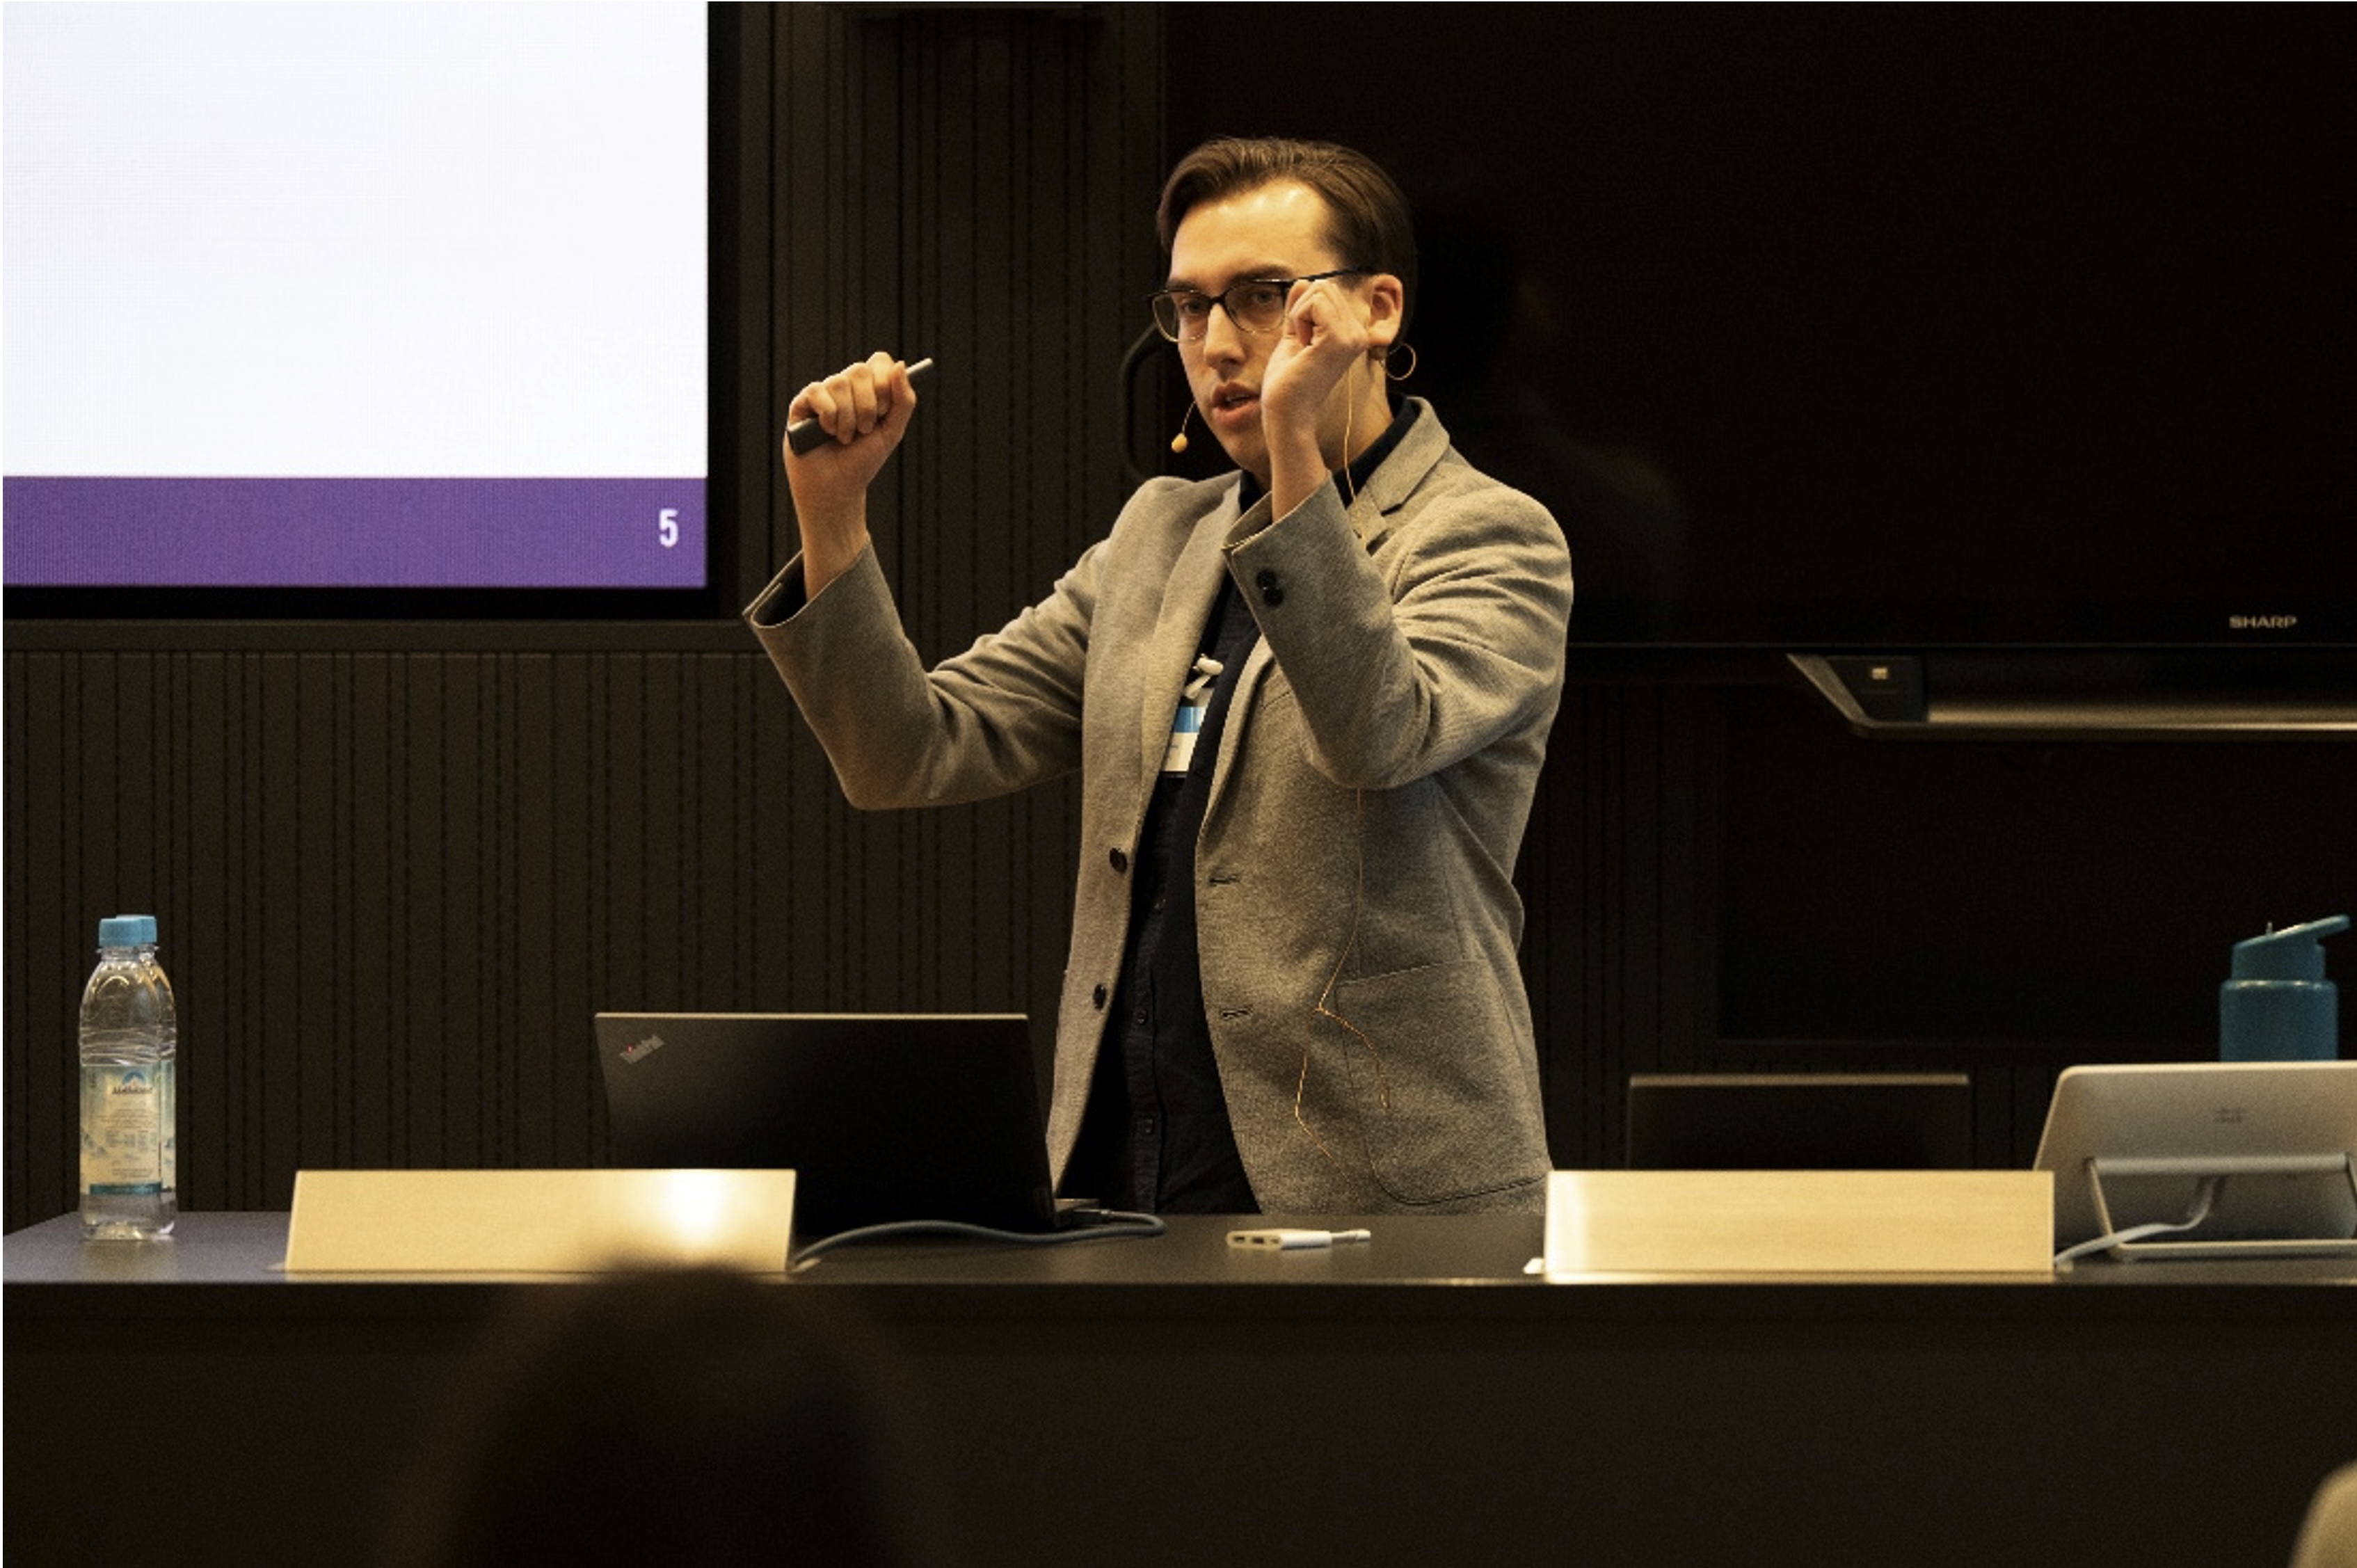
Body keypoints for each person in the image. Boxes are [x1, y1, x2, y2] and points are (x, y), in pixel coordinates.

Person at [747, 137, 1573, 1215]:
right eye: (1189, 307)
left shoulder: (1490, 536)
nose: (1219, 343)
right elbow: (908, 750)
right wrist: (833, 512)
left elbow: (1379, 731)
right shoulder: (1156, 537)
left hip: (1380, 1191)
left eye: (1264, 297)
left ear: (1378, 310)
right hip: (1122, 1177)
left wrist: (1292, 451)